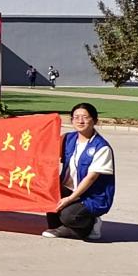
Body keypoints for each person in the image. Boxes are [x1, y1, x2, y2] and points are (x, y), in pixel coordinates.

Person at [43, 102, 115, 241]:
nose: (80, 121)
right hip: (68, 189)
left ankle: (91, 224)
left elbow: (91, 178)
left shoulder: (101, 147)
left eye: (85, 117)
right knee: (52, 209)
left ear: (94, 121)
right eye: (76, 117)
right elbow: (47, 153)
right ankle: (67, 226)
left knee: (68, 216)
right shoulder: (67, 139)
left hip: (91, 196)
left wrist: (70, 199)